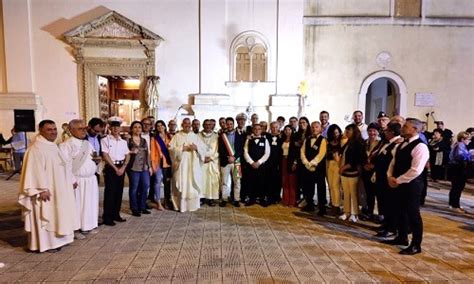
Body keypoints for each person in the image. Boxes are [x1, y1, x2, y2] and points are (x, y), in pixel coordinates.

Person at [18, 119, 77, 252]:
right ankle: (46, 244)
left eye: (55, 129)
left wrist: (70, 180)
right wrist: (41, 189)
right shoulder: (35, 149)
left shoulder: (53, 146)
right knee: (46, 214)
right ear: (41, 131)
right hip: (45, 191)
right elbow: (33, 171)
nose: (53, 132)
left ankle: (59, 240)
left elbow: (62, 166)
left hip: (59, 189)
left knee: (58, 213)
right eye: (49, 130)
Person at [386, 118, 429, 255]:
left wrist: (398, 180)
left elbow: (416, 170)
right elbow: (394, 161)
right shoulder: (402, 144)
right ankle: (402, 237)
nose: (402, 128)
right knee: (400, 211)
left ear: (414, 129)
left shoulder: (420, 146)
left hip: (412, 185)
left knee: (413, 214)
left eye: (406, 126)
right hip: (398, 182)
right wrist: (389, 176)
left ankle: (416, 244)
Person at [59, 119, 99, 237]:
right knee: (77, 205)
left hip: (90, 179)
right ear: (71, 130)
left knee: (89, 204)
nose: (83, 131)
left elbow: (92, 157)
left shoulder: (87, 143)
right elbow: (65, 165)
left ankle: (88, 226)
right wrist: (71, 180)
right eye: (80, 129)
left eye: (84, 128)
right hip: (77, 180)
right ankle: (75, 229)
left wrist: (96, 162)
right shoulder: (66, 145)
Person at [169, 118, 206, 212]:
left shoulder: (195, 136)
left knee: (192, 184)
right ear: (182, 124)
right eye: (185, 123)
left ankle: (192, 206)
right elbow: (170, 149)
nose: (187, 125)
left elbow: (203, 149)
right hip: (181, 165)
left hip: (193, 166)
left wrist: (196, 148)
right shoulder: (177, 136)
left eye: (189, 123)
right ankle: (180, 205)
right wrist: (181, 148)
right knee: (180, 182)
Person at [373, 122, 402, 238]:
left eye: (386, 131)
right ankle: (385, 224)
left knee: (389, 204)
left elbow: (392, 162)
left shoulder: (396, 143)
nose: (384, 132)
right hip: (381, 177)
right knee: (383, 203)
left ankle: (391, 228)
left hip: (387, 179)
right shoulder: (387, 142)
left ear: (392, 132)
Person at [101, 118, 130, 226]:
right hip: (111, 167)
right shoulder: (105, 140)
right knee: (110, 193)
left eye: (117, 127)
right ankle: (107, 217)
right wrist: (115, 168)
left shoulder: (123, 142)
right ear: (109, 128)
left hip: (121, 167)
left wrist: (123, 167)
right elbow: (105, 155)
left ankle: (116, 214)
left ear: (120, 128)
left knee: (119, 192)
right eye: (113, 127)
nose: (115, 129)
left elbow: (127, 155)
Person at [338, 124, 365, 223]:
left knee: (353, 193)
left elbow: (356, 159)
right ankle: (347, 211)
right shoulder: (348, 142)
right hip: (345, 172)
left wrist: (345, 167)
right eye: (346, 131)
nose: (346, 133)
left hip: (352, 171)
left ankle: (354, 213)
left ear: (354, 131)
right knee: (346, 193)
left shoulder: (358, 143)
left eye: (348, 131)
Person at [300, 121, 327, 215]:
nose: (314, 129)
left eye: (316, 127)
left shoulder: (323, 140)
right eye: (313, 127)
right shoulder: (307, 139)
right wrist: (306, 163)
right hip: (307, 167)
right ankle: (310, 204)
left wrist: (312, 163)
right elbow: (302, 151)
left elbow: (321, 154)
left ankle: (322, 208)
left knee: (320, 188)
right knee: (308, 187)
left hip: (318, 168)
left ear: (321, 129)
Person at [127, 121, 152, 217]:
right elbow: (124, 152)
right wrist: (131, 151)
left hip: (144, 167)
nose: (137, 129)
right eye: (135, 127)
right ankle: (134, 208)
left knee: (146, 185)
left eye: (139, 127)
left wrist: (149, 166)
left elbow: (147, 154)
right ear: (132, 129)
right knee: (134, 187)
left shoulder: (144, 140)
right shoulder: (128, 140)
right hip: (133, 167)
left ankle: (142, 206)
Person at [218, 117, 244, 207]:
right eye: (227, 124)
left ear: (233, 125)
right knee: (224, 182)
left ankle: (236, 199)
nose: (229, 126)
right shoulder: (221, 136)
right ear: (225, 125)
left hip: (237, 162)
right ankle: (224, 199)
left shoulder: (240, 136)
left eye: (231, 124)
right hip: (225, 162)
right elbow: (220, 149)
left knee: (237, 181)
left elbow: (241, 149)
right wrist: (227, 157)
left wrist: (234, 157)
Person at [243, 123, 270, 206]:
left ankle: (262, 199)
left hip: (261, 165)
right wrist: (251, 162)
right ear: (252, 130)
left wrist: (259, 162)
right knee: (251, 182)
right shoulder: (248, 140)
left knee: (262, 182)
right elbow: (245, 152)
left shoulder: (265, 140)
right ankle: (251, 199)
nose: (257, 130)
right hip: (250, 166)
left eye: (258, 129)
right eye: (255, 129)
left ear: (261, 130)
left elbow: (267, 153)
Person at [360, 122, 382, 221]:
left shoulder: (381, 143)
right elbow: (361, 156)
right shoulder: (365, 142)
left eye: (374, 131)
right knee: (368, 193)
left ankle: (379, 214)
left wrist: (374, 166)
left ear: (378, 132)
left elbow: (383, 159)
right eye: (370, 131)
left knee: (378, 193)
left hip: (376, 172)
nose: (372, 133)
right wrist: (364, 165)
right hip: (366, 171)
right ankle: (369, 211)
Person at [150, 120, 172, 210]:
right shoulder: (154, 138)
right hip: (158, 163)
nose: (160, 127)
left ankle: (166, 201)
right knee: (157, 181)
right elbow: (152, 153)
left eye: (161, 125)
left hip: (167, 162)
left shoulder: (169, 136)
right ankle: (158, 201)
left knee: (167, 183)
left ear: (164, 126)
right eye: (158, 126)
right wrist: (153, 165)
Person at [447, 131, 471, 213]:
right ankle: (455, 205)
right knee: (458, 187)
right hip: (458, 168)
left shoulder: (459, 144)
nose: (469, 141)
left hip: (455, 168)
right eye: (468, 139)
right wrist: (469, 155)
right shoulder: (460, 145)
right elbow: (460, 156)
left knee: (455, 187)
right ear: (462, 139)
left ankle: (452, 204)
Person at [199, 119, 220, 206]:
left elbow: (219, 150)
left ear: (212, 126)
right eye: (206, 124)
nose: (208, 126)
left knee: (212, 180)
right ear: (203, 125)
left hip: (213, 161)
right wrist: (202, 158)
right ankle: (202, 197)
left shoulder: (216, 136)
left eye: (209, 124)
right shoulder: (198, 136)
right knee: (202, 179)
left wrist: (211, 158)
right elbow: (196, 149)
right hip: (202, 161)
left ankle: (211, 198)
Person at [326, 124, 343, 215]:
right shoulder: (329, 143)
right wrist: (333, 154)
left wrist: (335, 156)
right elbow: (328, 154)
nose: (336, 135)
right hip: (330, 164)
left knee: (336, 186)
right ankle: (333, 204)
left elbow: (341, 155)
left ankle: (337, 206)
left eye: (337, 133)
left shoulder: (342, 142)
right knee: (331, 186)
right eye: (334, 133)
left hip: (338, 165)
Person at [294, 117, 311, 207]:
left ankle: (308, 199)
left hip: (308, 161)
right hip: (299, 160)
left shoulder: (311, 134)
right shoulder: (297, 134)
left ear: (307, 123)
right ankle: (301, 198)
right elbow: (295, 148)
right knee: (299, 181)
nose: (302, 124)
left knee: (307, 182)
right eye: (300, 123)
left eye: (304, 122)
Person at [281, 125, 298, 207]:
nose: (287, 131)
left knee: (292, 182)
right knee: (285, 181)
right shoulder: (282, 139)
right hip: (283, 161)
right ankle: (285, 200)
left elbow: (297, 153)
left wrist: (295, 163)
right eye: (286, 130)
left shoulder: (295, 140)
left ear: (292, 130)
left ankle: (292, 201)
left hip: (291, 162)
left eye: (289, 130)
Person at [266, 121, 283, 204]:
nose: (274, 129)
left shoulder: (282, 137)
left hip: (278, 163)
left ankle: (277, 197)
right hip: (268, 163)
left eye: (276, 127)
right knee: (269, 180)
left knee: (277, 180)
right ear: (270, 128)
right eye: (273, 127)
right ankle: (269, 197)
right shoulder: (267, 137)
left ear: (279, 128)